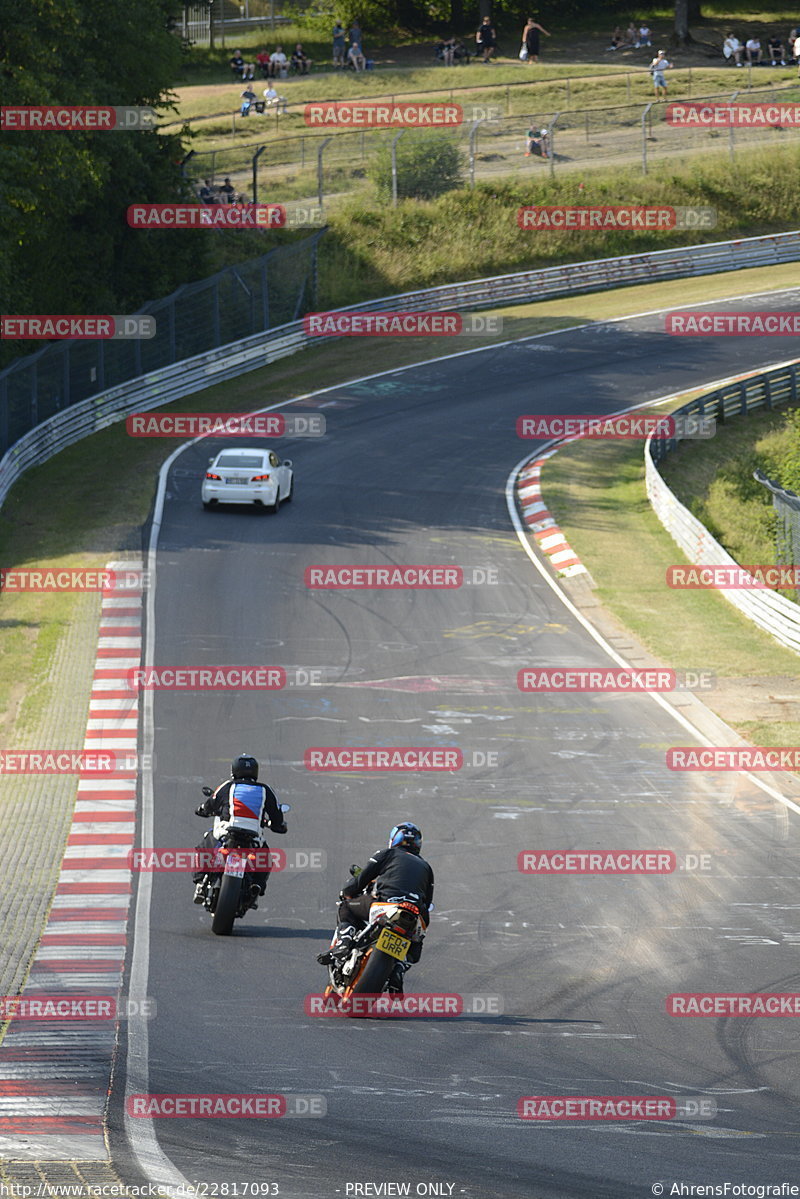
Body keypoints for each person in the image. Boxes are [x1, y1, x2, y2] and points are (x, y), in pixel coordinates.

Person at [317, 822, 434, 995]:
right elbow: (428, 902)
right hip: (415, 916)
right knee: (416, 942)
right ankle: (399, 969)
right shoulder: (426, 867)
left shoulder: (387, 854)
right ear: (418, 843)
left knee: (346, 907)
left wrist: (346, 892)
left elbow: (361, 879)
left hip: (386, 906)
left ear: (394, 839)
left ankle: (344, 943)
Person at [192, 754, 287, 906]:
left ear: (234, 771)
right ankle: (257, 884)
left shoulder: (228, 786)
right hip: (253, 835)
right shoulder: (265, 790)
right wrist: (279, 825)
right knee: (266, 857)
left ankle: (199, 880)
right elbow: (277, 815)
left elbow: (211, 803)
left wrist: (202, 809)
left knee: (204, 846)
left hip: (227, 830)